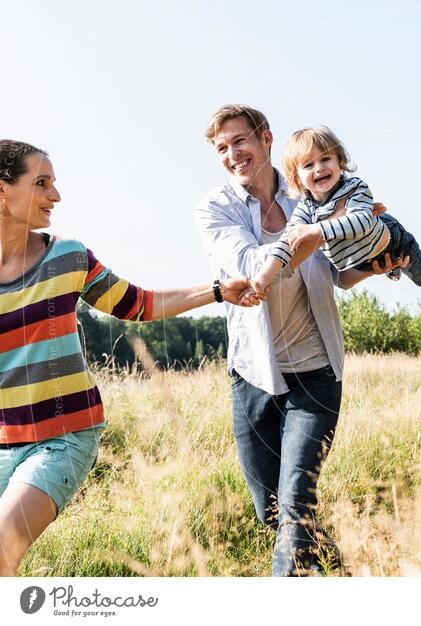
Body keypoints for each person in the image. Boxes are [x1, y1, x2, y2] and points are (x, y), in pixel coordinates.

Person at [0, 140, 262, 576]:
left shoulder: (67, 257)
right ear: (3, 190)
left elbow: (139, 305)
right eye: (41, 183)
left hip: (64, 437)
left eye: (54, 184)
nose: (56, 196)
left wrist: (216, 290)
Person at [194, 105, 413, 576]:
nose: (233, 155)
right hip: (253, 374)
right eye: (222, 148)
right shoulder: (215, 209)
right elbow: (253, 268)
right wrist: (319, 231)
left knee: (294, 502)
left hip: (315, 372)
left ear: (266, 138)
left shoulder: (311, 196)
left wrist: (374, 262)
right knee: (270, 510)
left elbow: (339, 274)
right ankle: (334, 569)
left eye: (240, 141)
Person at [252, 125, 421, 313]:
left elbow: (362, 222)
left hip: (393, 241)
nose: (319, 168)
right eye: (308, 165)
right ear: (296, 178)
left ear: (340, 162)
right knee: (381, 265)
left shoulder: (354, 188)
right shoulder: (305, 209)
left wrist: (316, 230)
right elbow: (286, 243)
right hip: (362, 259)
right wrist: (264, 276)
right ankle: (390, 268)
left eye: (326, 159)